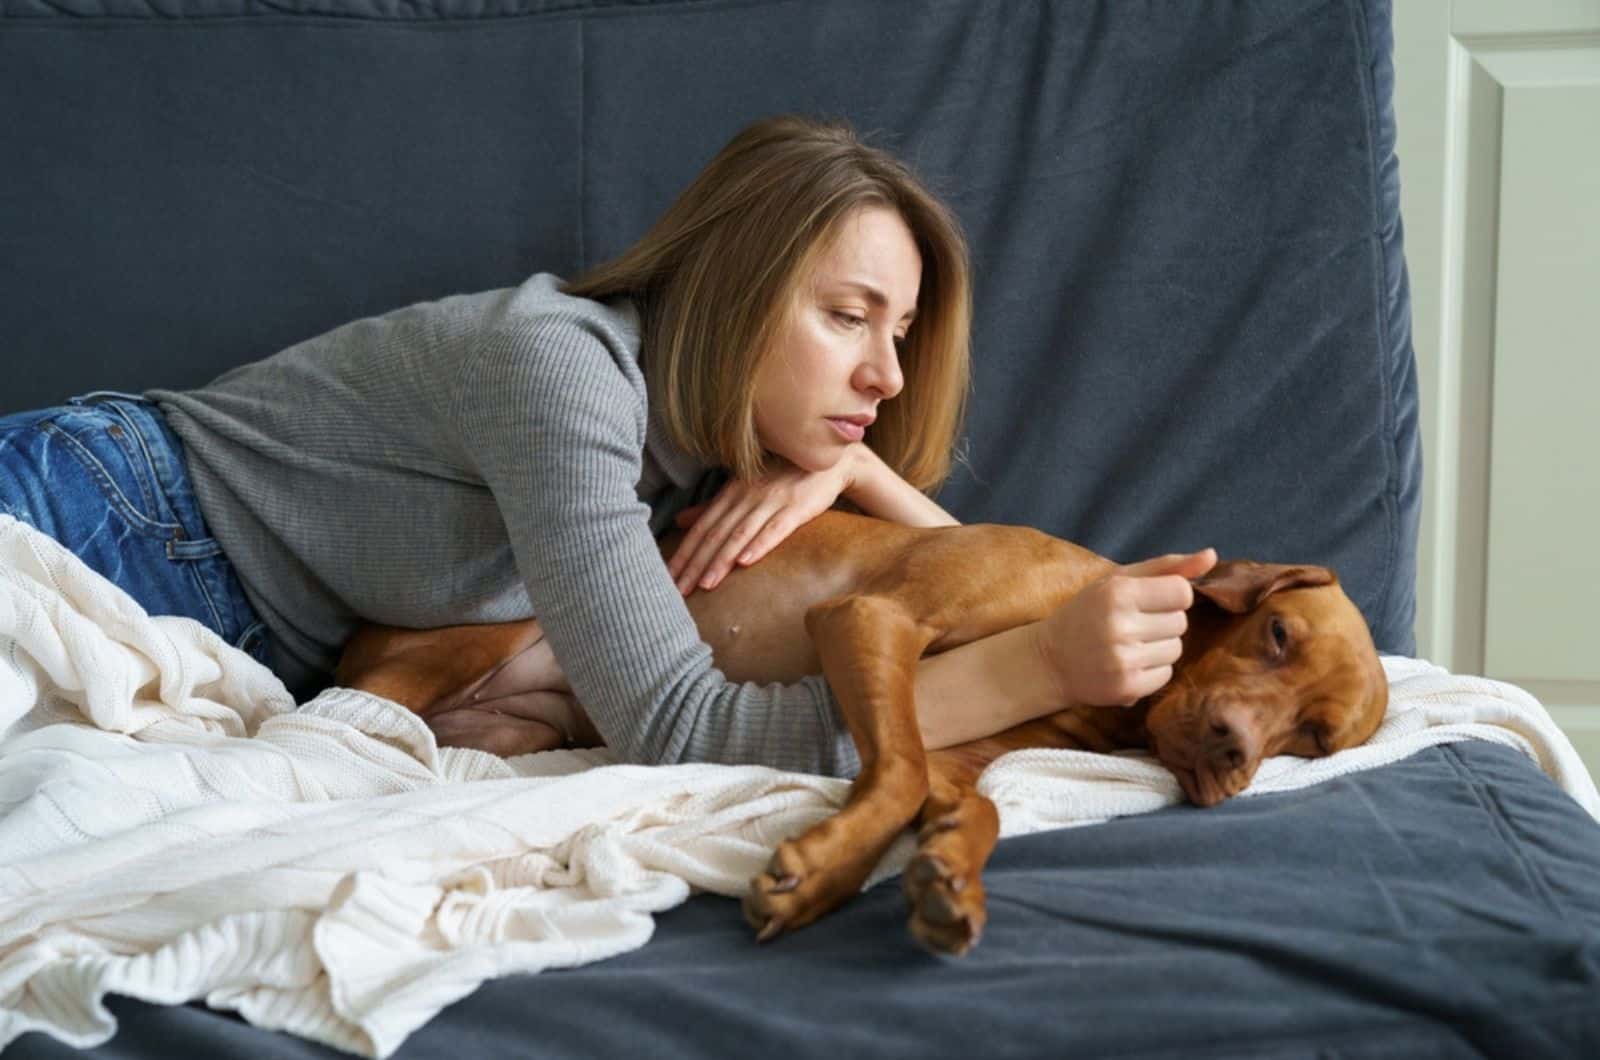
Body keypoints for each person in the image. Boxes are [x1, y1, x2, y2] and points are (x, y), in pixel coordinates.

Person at [0, 114, 1214, 778]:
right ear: (732, 286)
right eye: (847, 317)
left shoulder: (698, 461)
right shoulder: (561, 374)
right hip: (101, 511)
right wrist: (1037, 673)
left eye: (898, 333)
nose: (886, 375)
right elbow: (679, 731)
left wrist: (859, 468)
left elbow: (976, 584)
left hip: (218, 632)